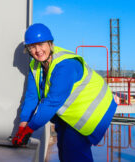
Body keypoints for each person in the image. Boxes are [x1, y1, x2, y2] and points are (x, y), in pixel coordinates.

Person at [12, 23, 117, 162]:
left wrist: (30, 129)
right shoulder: (36, 65)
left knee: (74, 152)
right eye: (32, 47)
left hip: (90, 112)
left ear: (50, 44)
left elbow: (52, 102)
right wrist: (23, 124)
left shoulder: (65, 65)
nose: (38, 50)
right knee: (64, 150)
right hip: (70, 113)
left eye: (41, 44)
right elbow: (31, 97)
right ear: (28, 49)